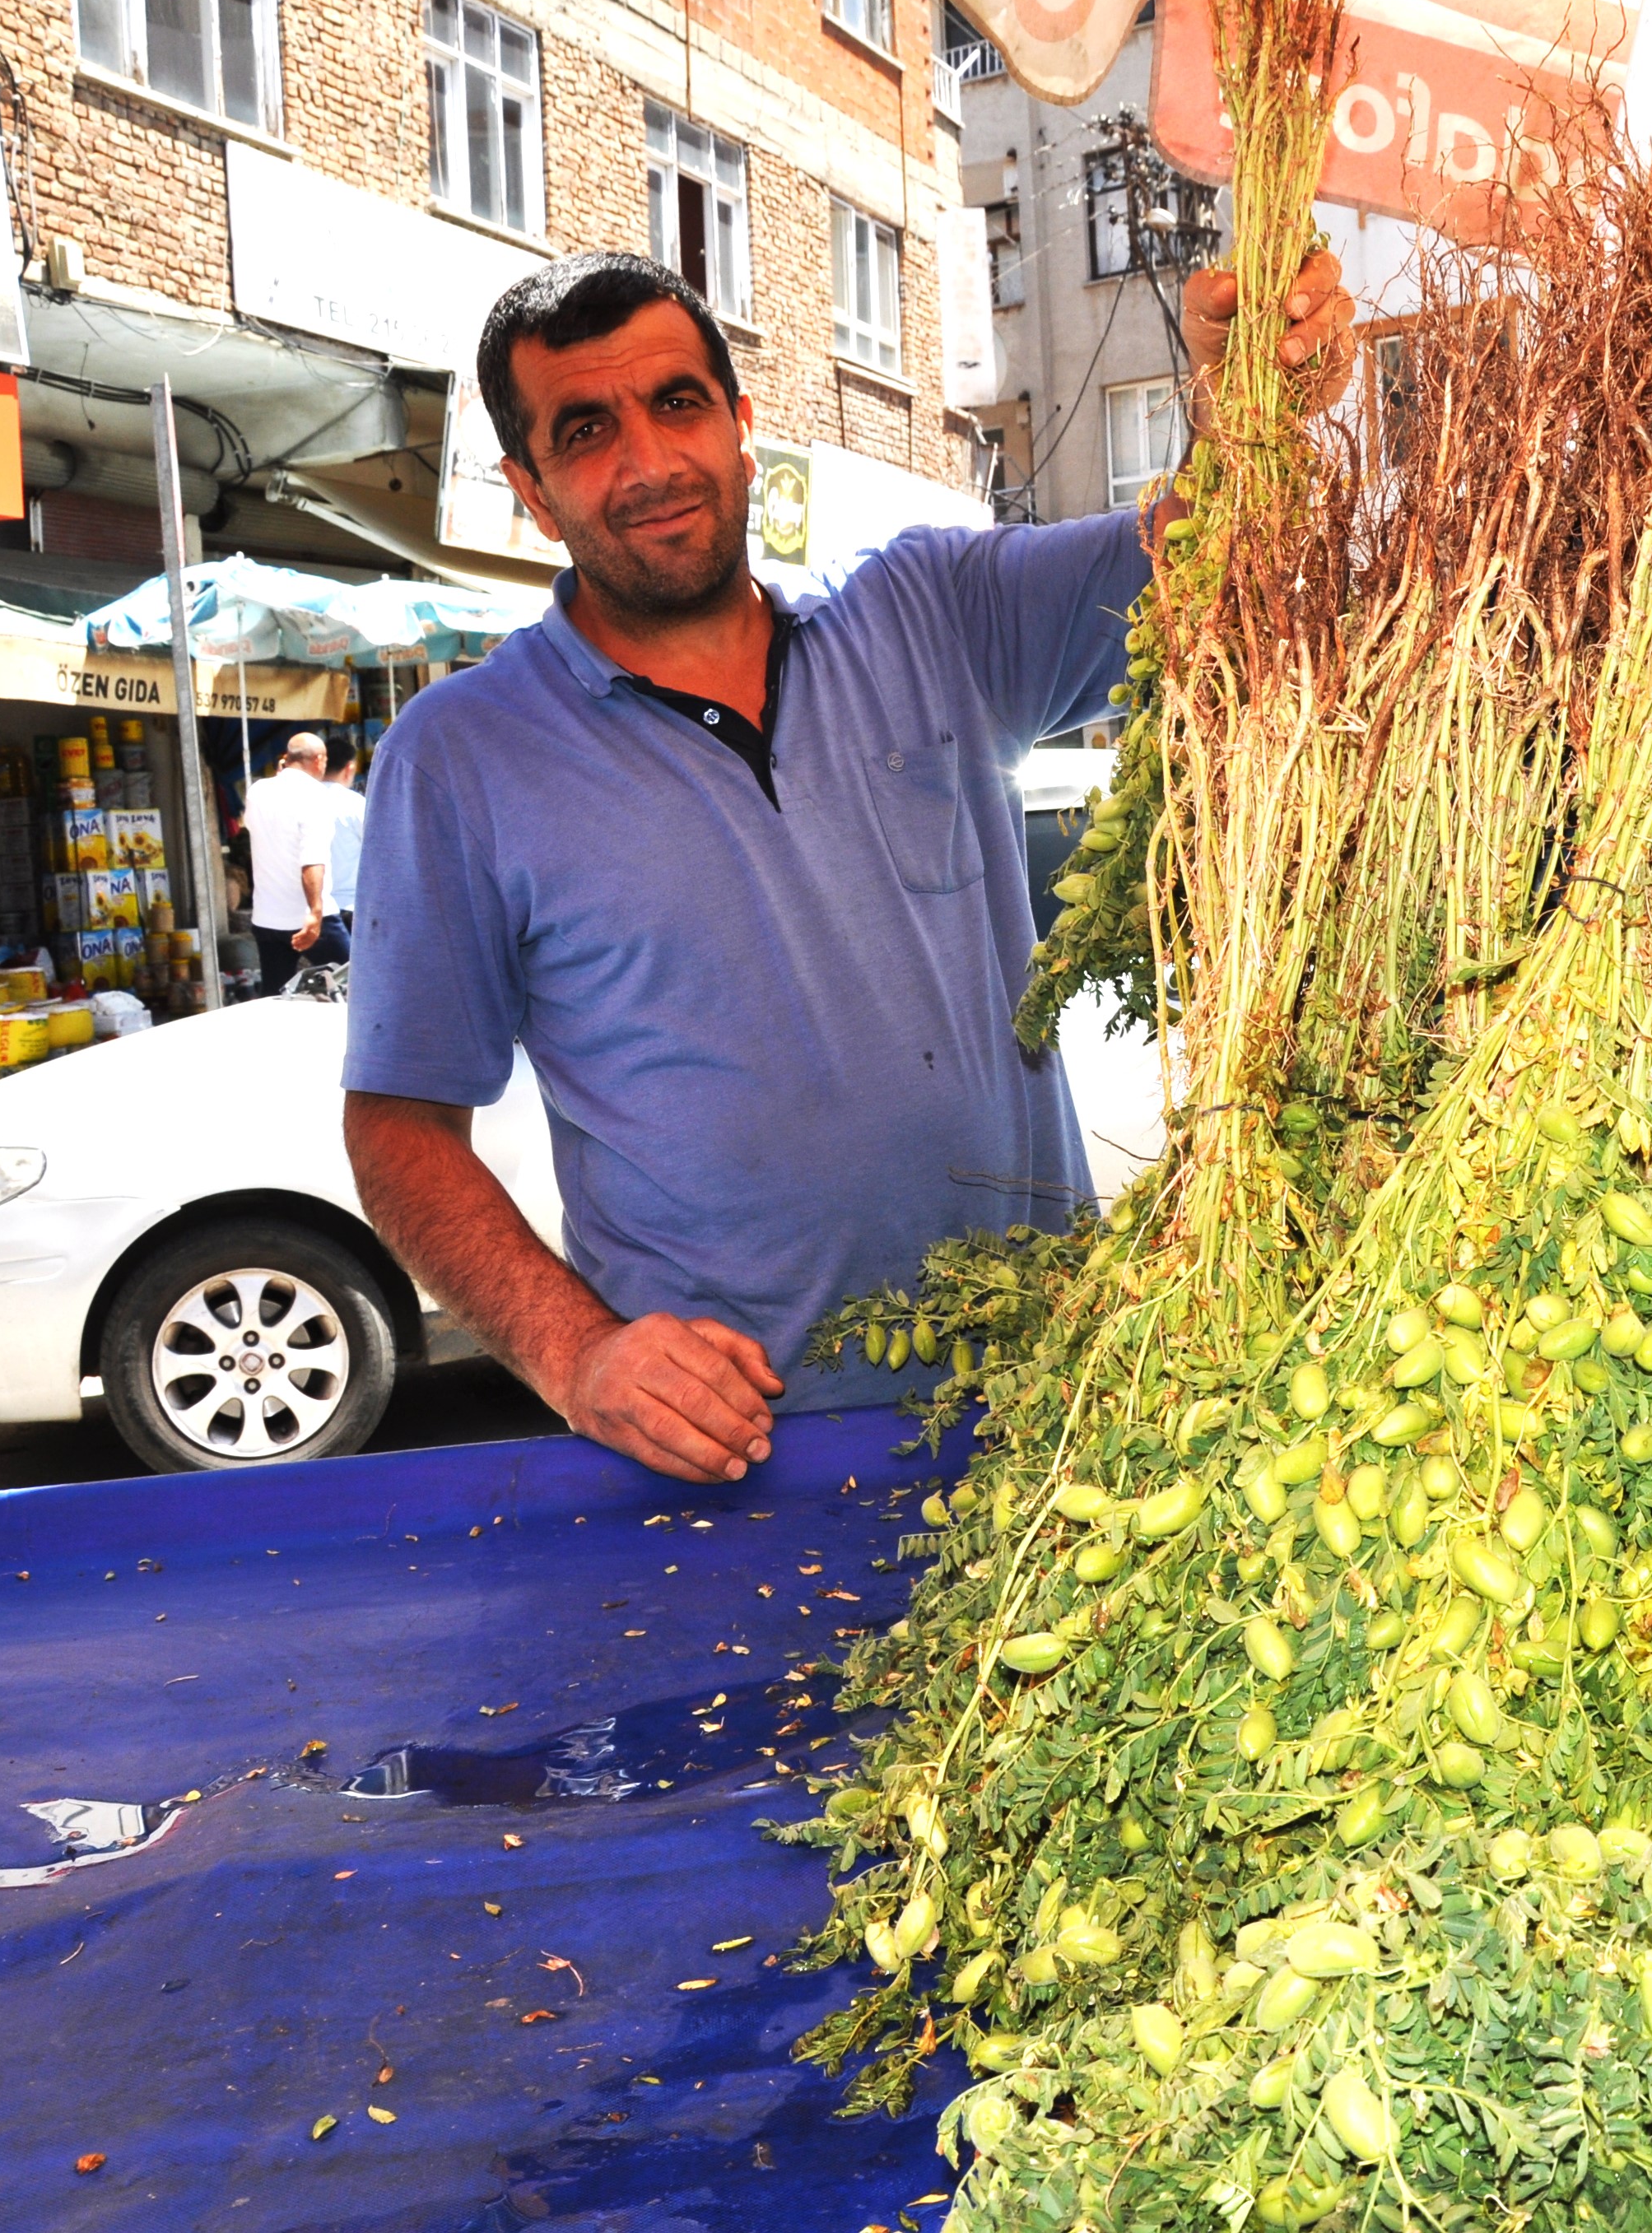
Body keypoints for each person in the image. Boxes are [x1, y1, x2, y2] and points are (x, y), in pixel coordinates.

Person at [342, 249, 1348, 1484]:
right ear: (532, 491)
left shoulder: (930, 615)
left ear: (742, 423)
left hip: (1057, 1412)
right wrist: (581, 1358)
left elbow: (1198, 557)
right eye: (587, 430)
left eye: (678, 405)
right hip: (740, 1459)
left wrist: (1244, 400)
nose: (650, 464)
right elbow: (398, 1128)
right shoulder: (463, 757)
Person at [243, 731, 348, 993]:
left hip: (267, 918)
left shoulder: (257, 792)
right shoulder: (316, 795)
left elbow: (250, 826)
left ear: (286, 760)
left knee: (275, 995)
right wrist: (315, 912)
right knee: (360, 982)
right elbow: (312, 859)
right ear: (319, 760)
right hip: (308, 918)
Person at [315, 724, 366, 952]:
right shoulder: (355, 804)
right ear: (350, 768)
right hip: (350, 907)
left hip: (314, 909)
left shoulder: (301, 801)